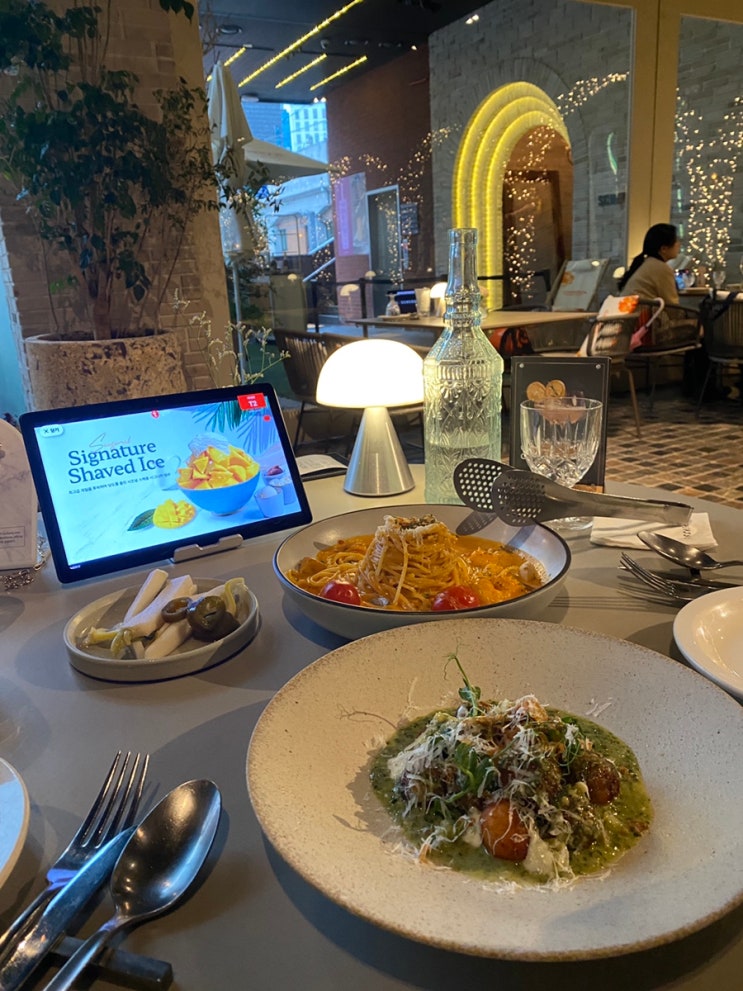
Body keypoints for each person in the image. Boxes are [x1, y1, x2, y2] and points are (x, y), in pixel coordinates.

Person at [617, 223, 681, 304]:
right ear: (663, 249)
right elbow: (672, 305)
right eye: (676, 241)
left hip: (631, 310)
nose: (679, 244)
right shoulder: (660, 268)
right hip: (644, 311)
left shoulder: (646, 263)